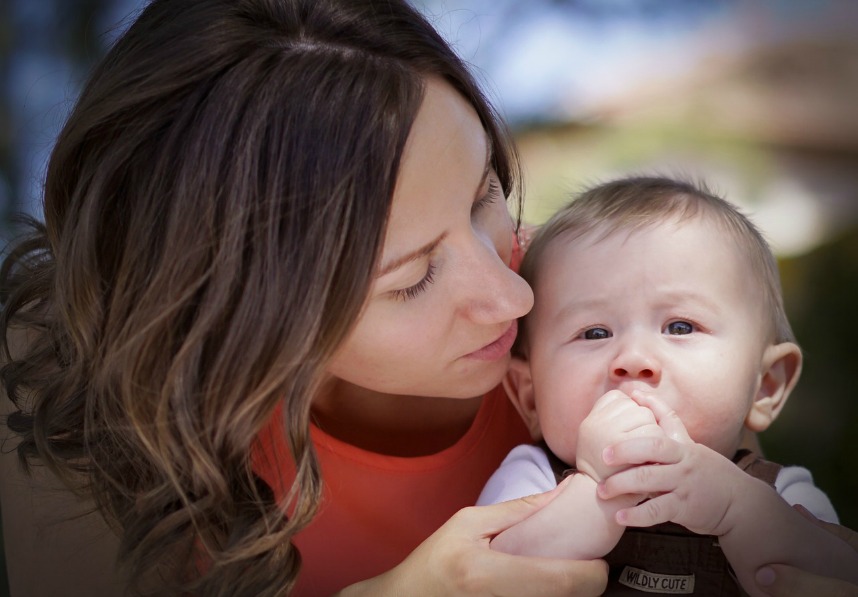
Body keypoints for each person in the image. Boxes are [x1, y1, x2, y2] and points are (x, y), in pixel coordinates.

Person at [0, 1, 611, 595]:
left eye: (484, 196)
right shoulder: (70, 398)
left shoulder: (608, 319)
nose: (515, 296)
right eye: (412, 279)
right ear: (241, 311)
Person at [477, 176, 858, 596]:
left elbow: (841, 575)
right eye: (594, 333)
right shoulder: (532, 479)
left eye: (680, 326)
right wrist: (594, 492)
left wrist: (737, 511)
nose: (634, 360)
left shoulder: (781, 493)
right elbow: (484, 577)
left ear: (765, 386)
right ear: (530, 395)